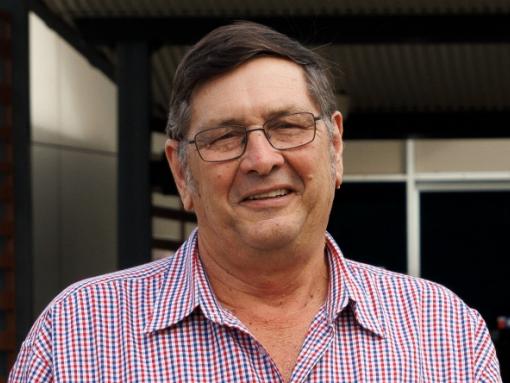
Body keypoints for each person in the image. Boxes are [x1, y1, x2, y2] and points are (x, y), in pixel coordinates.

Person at [10, 21, 501, 382]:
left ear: (334, 147)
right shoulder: (75, 338)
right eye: (225, 137)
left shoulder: (446, 334)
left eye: (288, 126)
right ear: (182, 171)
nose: (262, 159)